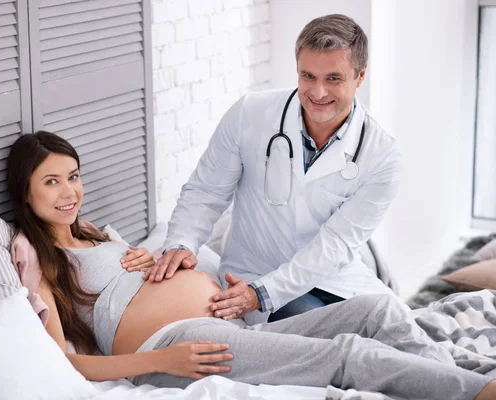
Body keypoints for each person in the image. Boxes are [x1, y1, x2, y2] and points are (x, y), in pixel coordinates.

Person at [4, 131, 496, 400]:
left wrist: (156, 264)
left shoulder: (100, 234)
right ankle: (477, 394)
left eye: (73, 177)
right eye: (51, 182)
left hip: (221, 319)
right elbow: (66, 363)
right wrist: (159, 362)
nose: (69, 192)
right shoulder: (42, 265)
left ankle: (456, 386)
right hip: (177, 347)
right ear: (25, 190)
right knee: (345, 355)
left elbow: (149, 280)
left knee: (377, 311)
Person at [146, 14, 403, 324]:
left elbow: (334, 245)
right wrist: (181, 242)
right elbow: (206, 190)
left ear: (360, 76)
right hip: (257, 273)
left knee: (397, 323)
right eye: (308, 76)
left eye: (333, 78)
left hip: (338, 279)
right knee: (335, 341)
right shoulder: (250, 115)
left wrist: (261, 294)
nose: (318, 92)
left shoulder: (382, 155)